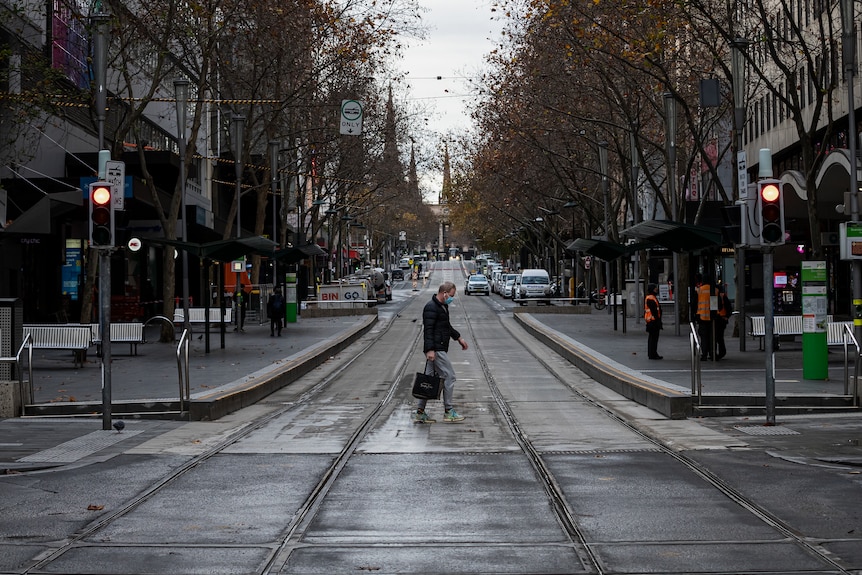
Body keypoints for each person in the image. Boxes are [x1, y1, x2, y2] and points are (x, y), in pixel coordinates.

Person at [414, 281, 469, 423]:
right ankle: (448, 411)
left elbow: (446, 327)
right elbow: (428, 331)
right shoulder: (431, 307)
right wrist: (430, 350)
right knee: (449, 376)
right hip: (436, 349)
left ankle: (420, 412)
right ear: (444, 293)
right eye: (450, 295)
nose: (451, 298)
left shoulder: (442, 306)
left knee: (428, 379)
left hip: (438, 347)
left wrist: (459, 338)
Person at [695, 273, 717, 360]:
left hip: (702, 316)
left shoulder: (699, 290)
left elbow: (695, 303)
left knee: (703, 337)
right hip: (712, 317)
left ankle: (704, 354)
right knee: (712, 336)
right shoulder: (715, 290)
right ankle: (712, 353)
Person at [644, 283, 663, 359]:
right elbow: (654, 310)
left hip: (651, 320)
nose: (657, 289)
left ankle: (652, 353)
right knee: (653, 338)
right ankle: (653, 354)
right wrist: (658, 320)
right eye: (655, 288)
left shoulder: (650, 297)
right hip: (653, 321)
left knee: (652, 338)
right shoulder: (651, 298)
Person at [714, 284, 732, 360]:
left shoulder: (717, 296)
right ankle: (720, 352)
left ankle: (720, 352)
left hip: (720, 318)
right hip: (722, 318)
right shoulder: (722, 296)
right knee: (719, 337)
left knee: (718, 337)